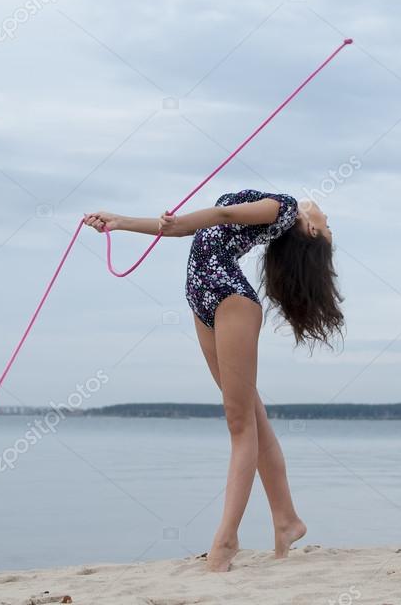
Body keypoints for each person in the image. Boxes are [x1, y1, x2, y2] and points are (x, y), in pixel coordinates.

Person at [84, 188, 344, 571]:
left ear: (309, 230)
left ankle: (226, 539)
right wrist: (119, 222)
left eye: (328, 225)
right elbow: (179, 229)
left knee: (238, 421)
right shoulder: (275, 214)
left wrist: (182, 221)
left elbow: (221, 218)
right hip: (202, 300)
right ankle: (287, 519)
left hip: (230, 300)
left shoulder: (283, 207)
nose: (326, 216)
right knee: (251, 416)